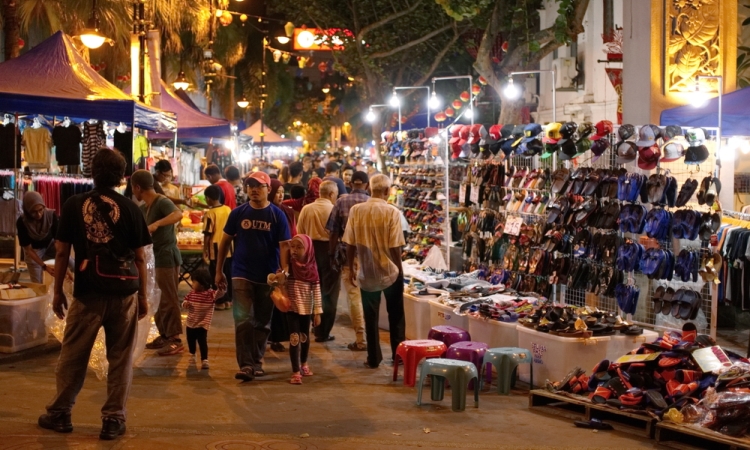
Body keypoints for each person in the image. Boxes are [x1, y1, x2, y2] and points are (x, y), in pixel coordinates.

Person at [39, 148, 150, 441]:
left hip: (88, 293)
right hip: (125, 293)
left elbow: (62, 252)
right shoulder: (130, 207)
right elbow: (140, 258)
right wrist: (143, 297)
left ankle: (60, 413)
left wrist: (57, 292)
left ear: (92, 171)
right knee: (121, 359)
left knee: (73, 356)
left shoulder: (75, 203)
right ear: (122, 175)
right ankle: (113, 419)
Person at [215, 171, 291, 382]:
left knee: (262, 322)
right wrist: (219, 270)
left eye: (259, 186)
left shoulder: (277, 215)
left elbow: (285, 245)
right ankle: (246, 365)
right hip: (241, 274)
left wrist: (284, 271)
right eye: (250, 186)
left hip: (267, 278)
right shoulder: (238, 213)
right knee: (243, 320)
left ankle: (256, 361)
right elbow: (225, 242)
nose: (254, 190)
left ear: (268, 189)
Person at [343, 174, 405, 368]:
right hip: (390, 272)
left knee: (371, 318)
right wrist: (400, 270)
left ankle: (373, 358)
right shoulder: (392, 212)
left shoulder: (356, 211)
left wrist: (351, 266)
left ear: (370, 189)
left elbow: (349, 242)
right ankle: (398, 356)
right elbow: (395, 246)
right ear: (387, 191)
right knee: (396, 316)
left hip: (367, 272)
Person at [131, 170, 185, 356]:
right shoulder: (143, 208)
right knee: (156, 298)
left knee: (169, 298)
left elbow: (178, 215)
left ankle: (175, 338)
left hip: (166, 256)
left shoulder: (161, 201)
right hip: (152, 258)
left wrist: (156, 225)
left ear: (137, 187)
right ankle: (164, 334)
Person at [326, 171, 369, 351]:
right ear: (366, 185)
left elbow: (333, 231)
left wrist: (330, 253)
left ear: (351, 184)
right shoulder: (372, 203)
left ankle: (361, 340)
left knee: (354, 298)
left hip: (348, 258)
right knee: (370, 300)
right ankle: (371, 341)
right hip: (371, 259)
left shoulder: (341, 202)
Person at [272, 234, 322, 384]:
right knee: (294, 339)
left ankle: (304, 364)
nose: (294, 250)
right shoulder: (289, 268)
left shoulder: (312, 269)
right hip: (292, 309)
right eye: (292, 246)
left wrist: (317, 312)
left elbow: (317, 290)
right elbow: (282, 278)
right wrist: (278, 277)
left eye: (299, 247)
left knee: (304, 337)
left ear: (308, 249)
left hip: (306, 309)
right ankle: (295, 371)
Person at [297, 180, 339, 342]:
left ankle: (306, 327)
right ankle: (323, 331)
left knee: (309, 290)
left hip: (309, 252)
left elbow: (300, 233)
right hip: (329, 252)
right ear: (331, 194)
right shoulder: (333, 209)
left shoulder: (307, 209)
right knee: (329, 293)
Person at [267, 178, 297, 352]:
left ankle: (277, 337)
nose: (279, 195)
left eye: (281, 192)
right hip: (268, 260)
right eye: (276, 192)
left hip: (284, 260)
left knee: (281, 298)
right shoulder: (265, 212)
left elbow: (292, 235)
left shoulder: (288, 212)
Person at [202, 185, 233, 311]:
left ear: (208, 198)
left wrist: (204, 250)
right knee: (228, 275)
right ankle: (228, 300)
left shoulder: (210, 214)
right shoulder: (227, 209)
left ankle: (219, 301)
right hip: (229, 249)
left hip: (216, 250)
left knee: (217, 276)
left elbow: (207, 234)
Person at [17, 192, 58, 284]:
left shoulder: (51, 215)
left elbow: (58, 242)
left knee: (71, 263)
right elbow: (28, 249)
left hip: (50, 244)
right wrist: (45, 267)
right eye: (34, 212)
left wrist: (62, 261)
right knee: (37, 284)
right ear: (27, 210)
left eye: (40, 210)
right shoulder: (22, 222)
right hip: (34, 250)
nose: (38, 214)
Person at [181, 268, 218, 370]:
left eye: (194, 282)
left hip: (202, 323)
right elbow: (185, 301)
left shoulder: (210, 294)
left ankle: (204, 359)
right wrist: (185, 304)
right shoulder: (191, 293)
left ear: (202, 284)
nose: (192, 284)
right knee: (190, 340)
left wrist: (222, 289)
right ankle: (192, 354)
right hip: (190, 323)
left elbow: (219, 294)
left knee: (202, 342)